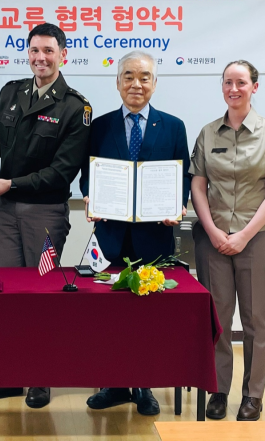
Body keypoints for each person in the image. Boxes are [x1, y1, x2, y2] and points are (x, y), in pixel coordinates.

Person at [0, 23, 92, 409]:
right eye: (35, 50)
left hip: (46, 215)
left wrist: (12, 184)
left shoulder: (77, 107)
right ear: (28, 53)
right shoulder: (11, 92)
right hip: (6, 211)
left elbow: (63, 171)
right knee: (6, 294)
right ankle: (6, 377)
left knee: (41, 294)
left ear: (63, 55)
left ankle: (40, 378)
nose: (41, 58)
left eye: (49, 51)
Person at [79, 50, 191, 416]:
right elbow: (88, 175)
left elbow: (183, 177)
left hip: (153, 237)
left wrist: (179, 205)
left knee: (146, 317)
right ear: (117, 82)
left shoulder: (173, 126)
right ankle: (112, 384)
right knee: (107, 316)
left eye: (144, 77)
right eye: (128, 76)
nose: (136, 84)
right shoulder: (100, 126)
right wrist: (89, 197)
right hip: (110, 236)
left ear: (154, 84)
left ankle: (144, 386)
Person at [189, 60, 265, 421]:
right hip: (212, 239)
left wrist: (244, 234)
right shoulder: (208, 133)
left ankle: (253, 396)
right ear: (222, 87)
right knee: (217, 320)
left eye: (242, 82)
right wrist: (214, 231)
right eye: (228, 82)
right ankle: (218, 390)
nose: (234, 88)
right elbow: (198, 186)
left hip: (258, 238)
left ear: (255, 87)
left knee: (255, 322)